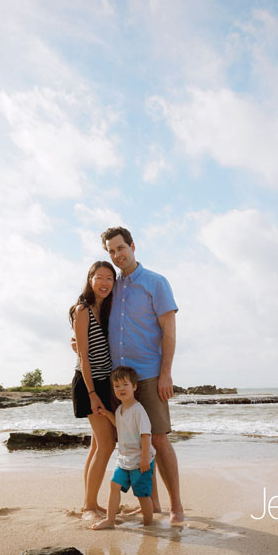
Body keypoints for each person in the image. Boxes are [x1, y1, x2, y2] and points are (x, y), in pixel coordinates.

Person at [99, 226, 184, 524]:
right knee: (132, 441)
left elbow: (169, 333)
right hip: (119, 378)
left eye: (120, 248)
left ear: (133, 246)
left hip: (148, 374)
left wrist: (166, 374)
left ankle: (176, 507)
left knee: (158, 440)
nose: (116, 255)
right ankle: (153, 503)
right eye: (110, 251)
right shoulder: (112, 287)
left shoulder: (156, 283)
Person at [69, 261, 118, 520]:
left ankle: (90, 502)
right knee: (107, 445)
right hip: (89, 383)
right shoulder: (83, 310)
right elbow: (84, 358)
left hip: (103, 381)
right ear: (90, 279)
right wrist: (92, 394)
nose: (104, 282)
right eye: (99, 277)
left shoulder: (106, 309)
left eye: (109, 278)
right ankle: (89, 506)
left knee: (98, 445)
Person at [91, 366, 156, 529]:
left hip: (141, 460)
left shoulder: (138, 410)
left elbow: (146, 435)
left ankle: (149, 524)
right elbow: (119, 426)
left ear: (134, 386)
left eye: (125, 384)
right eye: (117, 386)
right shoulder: (120, 409)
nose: (121, 389)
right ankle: (110, 520)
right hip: (124, 458)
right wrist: (107, 414)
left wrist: (144, 459)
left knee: (142, 494)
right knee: (114, 485)